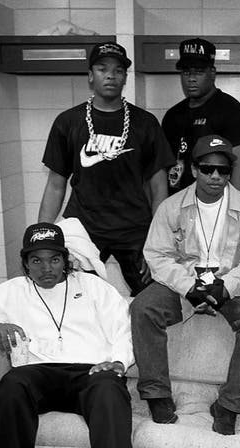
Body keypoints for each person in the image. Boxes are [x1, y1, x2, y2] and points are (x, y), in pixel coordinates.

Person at [0, 222, 135, 448]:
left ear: (65, 260)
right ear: (26, 264)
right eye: (37, 260)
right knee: (10, 387)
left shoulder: (94, 287)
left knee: (110, 390)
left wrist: (118, 362)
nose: (46, 268)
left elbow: (124, 328)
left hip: (91, 373)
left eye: (54, 259)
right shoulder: (12, 290)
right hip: (37, 375)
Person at [130, 134, 240, 436]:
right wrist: (188, 287)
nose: (216, 176)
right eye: (208, 169)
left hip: (232, 282)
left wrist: (226, 286)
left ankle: (229, 405)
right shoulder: (171, 207)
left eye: (223, 170)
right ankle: (156, 393)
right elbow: (157, 255)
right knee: (143, 307)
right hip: (183, 281)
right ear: (194, 169)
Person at [38, 41, 175, 296]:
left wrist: (158, 242)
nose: (110, 75)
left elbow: (159, 188)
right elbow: (56, 185)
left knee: (152, 299)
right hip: (84, 227)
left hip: (135, 227)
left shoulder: (145, 123)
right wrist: (42, 237)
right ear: (91, 75)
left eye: (118, 70)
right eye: (102, 69)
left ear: (125, 77)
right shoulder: (68, 121)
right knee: (77, 297)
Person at [163, 37, 240, 195]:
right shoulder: (173, 115)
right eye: (186, 72)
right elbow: (162, 167)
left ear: (212, 73)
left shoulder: (231, 111)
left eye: (199, 72)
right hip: (178, 201)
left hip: (214, 203)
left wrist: (234, 207)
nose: (191, 79)